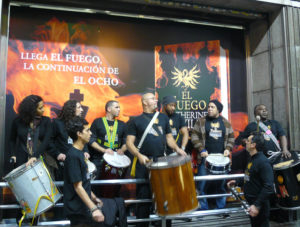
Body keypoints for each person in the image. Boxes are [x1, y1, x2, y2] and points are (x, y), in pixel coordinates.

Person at [126, 92, 186, 227]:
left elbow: (169, 139)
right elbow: (129, 143)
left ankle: (164, 224)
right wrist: (139, 155)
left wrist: (178, 149)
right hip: (144, 163)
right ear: (144, 102)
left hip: (161, 161)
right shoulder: (135, 121)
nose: (155, 100)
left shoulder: (163, 118)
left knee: (165, 196)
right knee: (144, 197)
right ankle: (142, 225)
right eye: (152, 99)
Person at [9, 94, 51, 225]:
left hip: (39, 160)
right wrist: (13, 154)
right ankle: (20, 219)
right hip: (22, 160)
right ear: (32, 109)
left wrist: (35, 156)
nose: (44, 109)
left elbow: (46, 141)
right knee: (22, 190)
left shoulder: (46, 121)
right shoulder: (18, 122)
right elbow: (11, 139)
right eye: (40, 107)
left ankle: (37, 220)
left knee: (39, 191)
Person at [191, 99, 234, 210]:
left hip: (222, 160)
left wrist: (228, 148)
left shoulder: (225, 122)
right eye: (208, 107)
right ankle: (203, 209)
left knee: (221, 186)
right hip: (205, 160)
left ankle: (221, 208)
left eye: (212, 107)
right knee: (201, 185)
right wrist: (201, 149)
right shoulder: (201, 121)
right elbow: (194, 136)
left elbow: (231, 137)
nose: (209, 109)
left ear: (218, 110)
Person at [64, 116, 105, 226]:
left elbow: (84, 181)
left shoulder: (80, 153)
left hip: (83, 208)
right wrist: (94, 209)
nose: (90, 133)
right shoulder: (73, 155)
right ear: (79, 134)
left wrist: (94, 198)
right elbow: (78, 187)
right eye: (87, 130)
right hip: (77, 210)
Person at [227, 132, 274, 227]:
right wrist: (237, 182)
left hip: (260, 206)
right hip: (252, 203)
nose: (246, 142)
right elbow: (250, 177)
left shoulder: (263, 162)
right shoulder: (252, 159)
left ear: (253, 145)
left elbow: (269, 187)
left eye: (248, 141)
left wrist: (257, 205)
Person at [48, 100, 89, 180]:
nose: (82, 110)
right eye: (79, 107)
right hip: (63, 162)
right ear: (71, 109)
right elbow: (49, 141)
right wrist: (57, 154)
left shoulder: (80, 123)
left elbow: (83, 140)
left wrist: (86, 151)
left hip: (78, 160)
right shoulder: (57, 123)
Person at [89, 100, 127, 177]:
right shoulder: (97, 122)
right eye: (116, 107)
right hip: (99, 159)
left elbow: (126, 141)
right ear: (109, 109)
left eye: (119, 107)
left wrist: (122, 150)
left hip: (116, 160)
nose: (119, 109)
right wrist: (104, 150)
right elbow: (91, 140)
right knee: (97, 185)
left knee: (115, 186)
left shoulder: (122, 124)